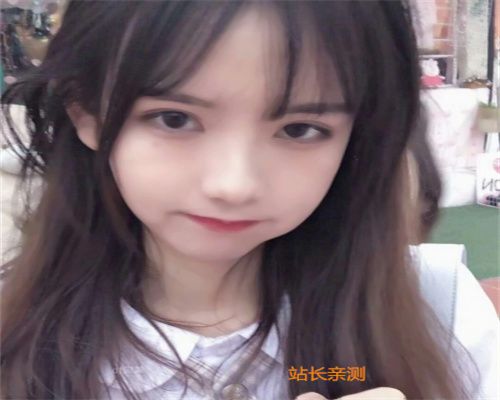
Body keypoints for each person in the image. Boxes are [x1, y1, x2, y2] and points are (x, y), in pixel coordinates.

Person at [0, 1, 498, 399]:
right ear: (87, 112)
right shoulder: (15, 337)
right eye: (174, 119)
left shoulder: (441, 312)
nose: (233, 185)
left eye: (300, 129)